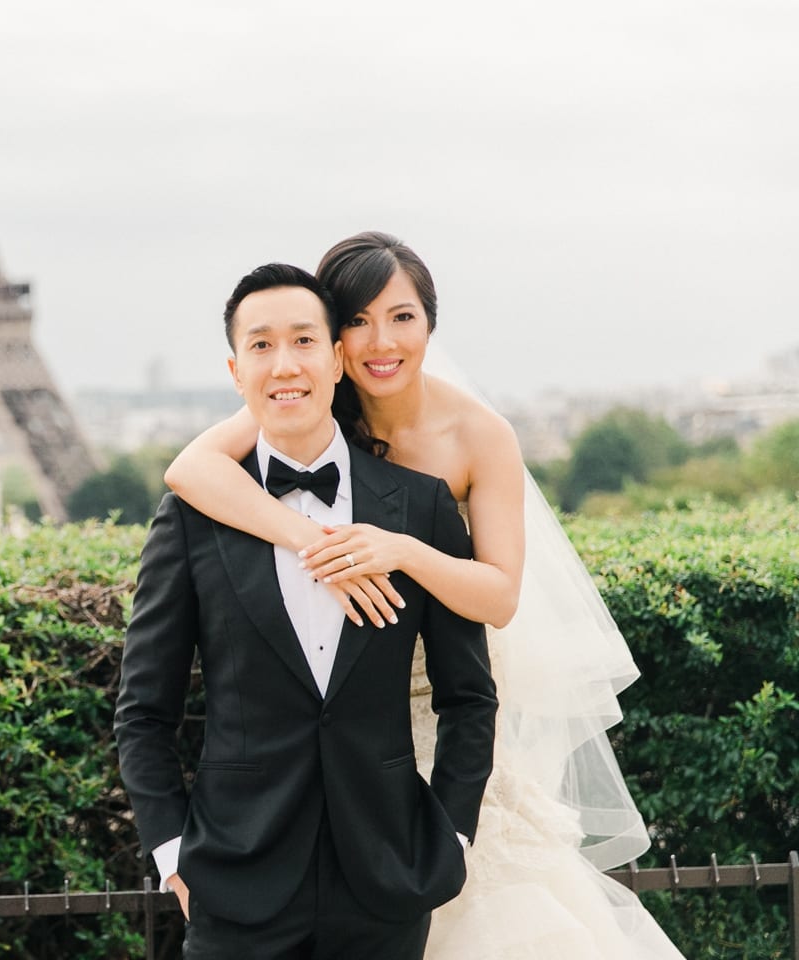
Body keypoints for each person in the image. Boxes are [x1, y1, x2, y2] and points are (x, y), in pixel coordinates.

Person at [165, 231, 686, 958]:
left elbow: (499, 595)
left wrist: (403, 549)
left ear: (431, 324)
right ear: (334, 338)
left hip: (439, 724)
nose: (381, 341)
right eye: (357, 320)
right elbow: (191, 470)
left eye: (402, 317)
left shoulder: (479, 436)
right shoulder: (312, 398)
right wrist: (313, 542)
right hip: (327, 754)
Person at [114, 262, 498, 959]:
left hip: (387, 878)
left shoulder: (419, 509)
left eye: (303, 341)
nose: (283, 363)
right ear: (236, 372)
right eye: (261, 345)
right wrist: (173, 853)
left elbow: (468, 696)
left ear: (338, 360)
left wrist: (452, 835)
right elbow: (144, 711)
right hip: (234, 883)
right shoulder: (191, 518)